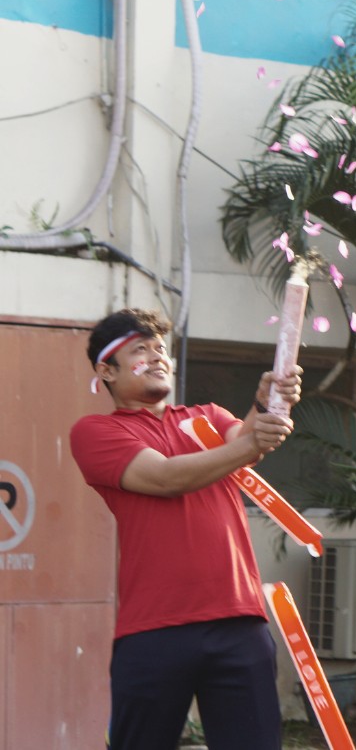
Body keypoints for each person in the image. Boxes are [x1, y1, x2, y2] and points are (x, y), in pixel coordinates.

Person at [69, 308, 301, 750]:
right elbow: (166, 478)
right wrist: (254, 439)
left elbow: (246, 446)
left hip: (239, 622)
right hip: (154, 629)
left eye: (161, 348)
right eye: (140, 349)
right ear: (107, 371)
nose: (157, 357)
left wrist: (267, 402)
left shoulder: (207, 417)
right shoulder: (95, 432)